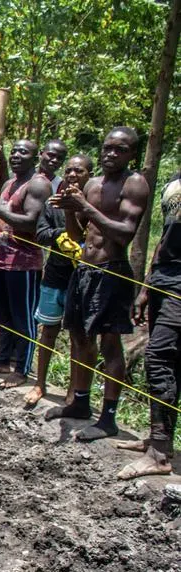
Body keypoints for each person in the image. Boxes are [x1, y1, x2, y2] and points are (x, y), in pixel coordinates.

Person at [47, 127, 149, 440]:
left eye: (120, 149)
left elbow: (124, 233)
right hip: (84, 270)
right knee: (79, 337)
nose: (110, 154)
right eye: (107, 148)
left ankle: (108, 417)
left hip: (112, 272)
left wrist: (86, 208)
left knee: (109, 343)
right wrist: (68, 209)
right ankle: (80, 402)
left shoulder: (134, 183)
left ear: (132, 153)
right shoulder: (91, 184)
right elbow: (78, 234)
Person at [0, 139, 52, 386]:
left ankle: (22, 369)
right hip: (1, 260)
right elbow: (4, 218)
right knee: (2, 315)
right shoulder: (9, 183)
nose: (17, 155)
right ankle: (3, 359)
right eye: (14, 151)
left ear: (34, 158)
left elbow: (30, 222)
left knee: (23, 318)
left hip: (24, 264)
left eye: (23, 152)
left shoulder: (38, 185)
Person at [118, 168, 181, 478]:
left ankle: (159, 453)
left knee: (158, 358)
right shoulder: (175, 181)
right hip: (164, 279)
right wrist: (147, 287)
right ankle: (159, 442)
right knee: (169, 361)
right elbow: (166, 239)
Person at [23, 155, 93, 408]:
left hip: (81, 276)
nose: (73, 175)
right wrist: (61, 235)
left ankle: (73, 391)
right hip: (55, 272)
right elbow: (41, 233)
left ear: (89, 175)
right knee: (48, 331)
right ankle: (39, 383)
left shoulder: (91, 205)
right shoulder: (53, 203)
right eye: (70, 171)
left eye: (80, 171)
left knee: (78, 336)